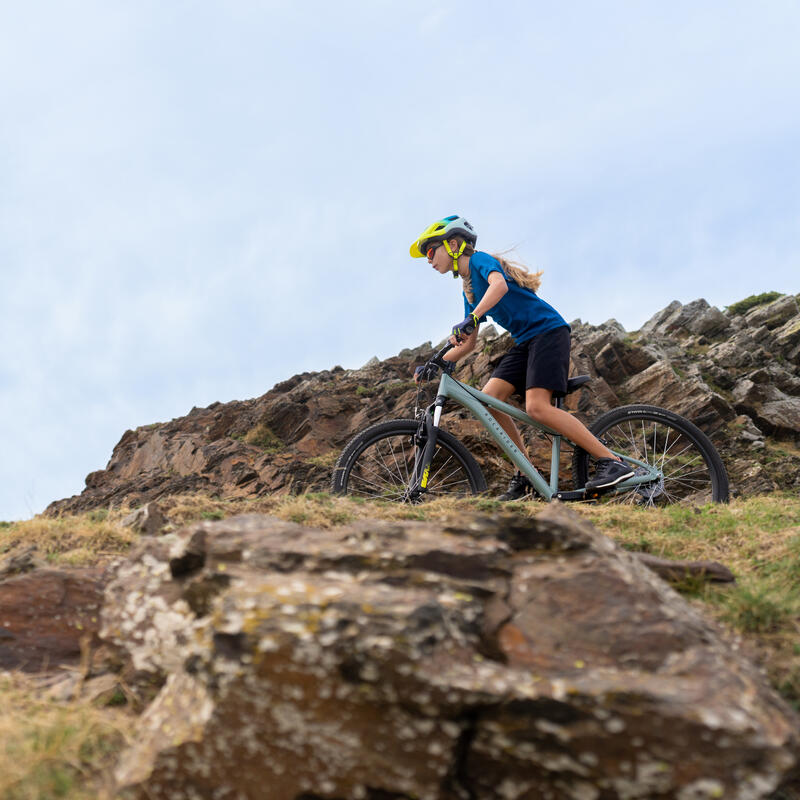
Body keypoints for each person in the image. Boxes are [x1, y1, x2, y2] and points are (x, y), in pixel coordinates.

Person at [410, 214, 633, 500]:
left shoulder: (479, 261)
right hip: (526, 342)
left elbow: (499, 286)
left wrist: (474, 317)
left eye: (430, 251)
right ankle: (527, 475)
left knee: (537, 408)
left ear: (453, 244)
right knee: (488, 401)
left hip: (548, 332)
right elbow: (469, 343)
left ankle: (612, 462)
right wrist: (438, 361)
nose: (429, 260)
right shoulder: (467, 288)